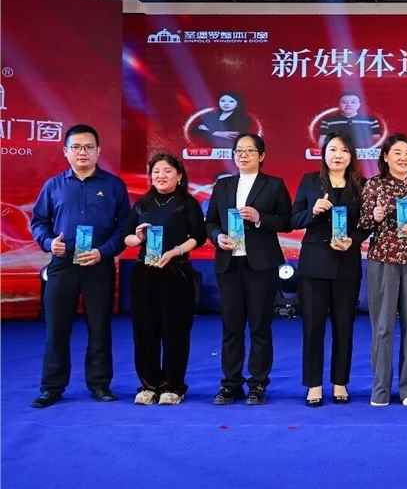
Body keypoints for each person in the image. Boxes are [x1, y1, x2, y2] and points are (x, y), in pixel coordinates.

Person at [29, 124, 130, 408]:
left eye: (88, 147)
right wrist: (49, 243)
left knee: (100, 327)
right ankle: (51, 387)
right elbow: (38, 222)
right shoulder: (53, 186)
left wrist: (103, 252)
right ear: (66, 152)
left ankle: (99, 385)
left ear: (98, 151)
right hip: (62, 264)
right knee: (56, 328)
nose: (82, 152)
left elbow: (124, 227)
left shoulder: (113, 186)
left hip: (99, 265)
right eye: (76, 147)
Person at [205, 133, 292, 405]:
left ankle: (257, 384)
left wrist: (259, 218)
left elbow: (287, 221)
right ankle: (230, 384)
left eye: (249, 150)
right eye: (239, 151)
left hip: (261, 265)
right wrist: (217, 236)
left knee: (259, 327)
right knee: (231, 327)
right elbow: (210, 222)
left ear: (261, 155)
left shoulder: (274, 185)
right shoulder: (223, 185)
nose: (243, 155)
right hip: (229, 263)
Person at [290, 132, 369, 407]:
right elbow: (293, 219)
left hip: (347, 265)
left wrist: (353, 240)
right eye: (333, 149)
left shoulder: (361, 184)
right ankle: (313, 384)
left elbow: (366, 225)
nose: (338, 155)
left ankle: (340, 382)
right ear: (324, 154)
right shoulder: (310, 181)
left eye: (344, 150)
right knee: (313, 327)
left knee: (344, 326)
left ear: (351, 156)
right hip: (314, 265)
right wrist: (313, 211)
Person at [123, 153, 206, 405]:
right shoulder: (142, 204)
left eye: (167, 171)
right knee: (144, 332)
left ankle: (173, 386)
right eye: (156, 171)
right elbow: (126, 238)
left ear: (179, 176)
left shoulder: (188, 203)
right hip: (144, 273)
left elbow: (198, 237)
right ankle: (149, 384)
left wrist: (175, 251)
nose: (161, 175)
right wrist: (137, 238)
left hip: (176, 273)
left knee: (175, 332)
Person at [359, 133, 407, 407]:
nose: (403, 158)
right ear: (386, 157)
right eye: (397, 153)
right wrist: (375, 216)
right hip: (382, 260)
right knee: (382, 327)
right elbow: (362, 224)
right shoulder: (373, 186)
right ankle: (380, 389)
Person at [190, 91, 254, 147]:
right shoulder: (211, 116)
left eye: (231, 101)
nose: (226, 104)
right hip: (208, 148)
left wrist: (208, 130)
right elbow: (195, 130)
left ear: (237, 104)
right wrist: (217, 133)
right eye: (223, 101)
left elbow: (234, 135)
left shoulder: (242, 118)